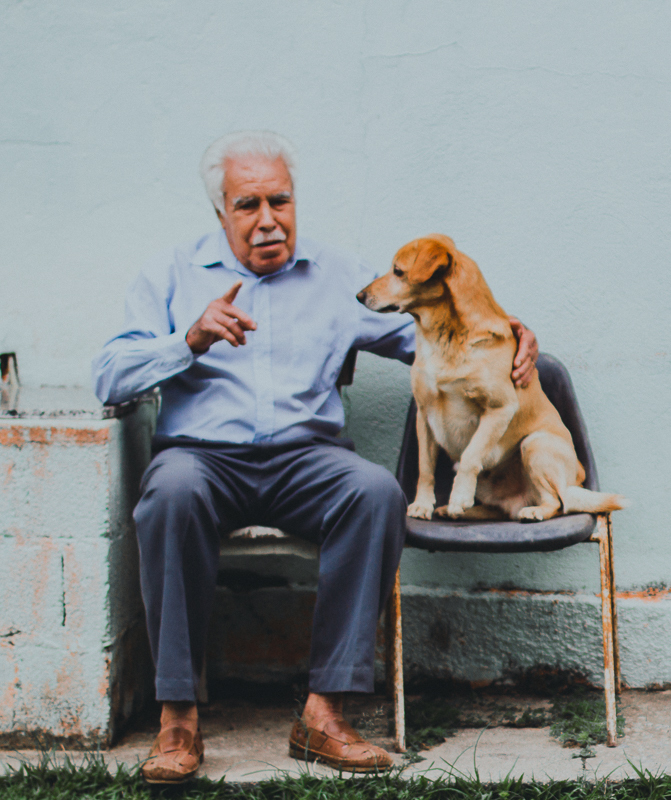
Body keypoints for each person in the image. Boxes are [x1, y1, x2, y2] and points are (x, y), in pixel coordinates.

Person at [92, 131, 539, 783]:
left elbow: (431, 334)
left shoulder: (336, 275)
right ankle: (177, 719)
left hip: (309, 459)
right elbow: (109, 376)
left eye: (280, 200)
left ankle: (324, 714)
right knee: (169, 495)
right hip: (201, 458)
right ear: (222, 214)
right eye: (249, 205)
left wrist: (510, 331)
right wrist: (187, 340)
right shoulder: (172, 272)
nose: (268, 219)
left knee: (373, 492)